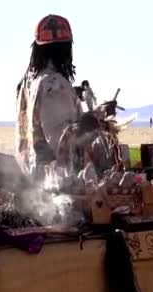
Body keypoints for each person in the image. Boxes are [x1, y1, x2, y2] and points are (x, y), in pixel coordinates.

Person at [15, 14, 115, 178]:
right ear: (66, 49)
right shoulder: (55, 85)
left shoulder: (30, 82)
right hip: (60, 185)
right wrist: (99, 115)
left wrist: (73, 97)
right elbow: (62, 141)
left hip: (36, 180)